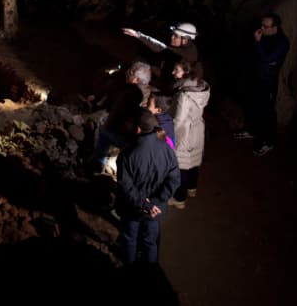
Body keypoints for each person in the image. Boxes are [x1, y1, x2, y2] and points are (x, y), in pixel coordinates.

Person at [115, 108, 180, 264]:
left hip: (133, 208)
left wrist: (144, 204)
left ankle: (130, 271)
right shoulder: (167, 150)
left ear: (137, 129)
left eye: (129, 122)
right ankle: (150, 275)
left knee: (130, 239)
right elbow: (174, 180)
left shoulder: (127, 155)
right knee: (150, 241)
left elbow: (126, 186)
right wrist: (155, 203)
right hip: (155, 210)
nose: (126, 124)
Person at [234, 12, 290, 156]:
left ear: (275, 27)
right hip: (255, 77)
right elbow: (258, 58)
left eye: (266, 26)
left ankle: (269, 142)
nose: (262, 29)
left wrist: (258, 43)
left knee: (268, 111)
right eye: (261, 25)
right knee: (252, 104)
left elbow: (266, 60)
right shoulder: (264, 37)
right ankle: (251, 130)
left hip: (268, 82)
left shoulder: (282, 43)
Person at [90, 62, 153, 173]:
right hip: (133, 135)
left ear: (137, 80)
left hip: (128, 135)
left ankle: (98, 164)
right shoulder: (144, 93)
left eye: (131, 72)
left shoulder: (132, 93)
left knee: (104, 132)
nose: (127, 73)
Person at [169, 60, 210, 209]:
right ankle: (192, 188)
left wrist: (167, 132)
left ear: (186, 72)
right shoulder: (201, 87)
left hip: (184, 132)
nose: (173, 73)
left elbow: (178, 120)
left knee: (181, 165)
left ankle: (179, 198)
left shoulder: (184, 94)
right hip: (198, 128)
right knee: (193, 160)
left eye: (176, 70)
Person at [122, 22, 202, 91]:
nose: (172, 37)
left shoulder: (186, 55)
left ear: (185, 39)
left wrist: (138, 35)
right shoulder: (180, 47)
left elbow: (160, 47)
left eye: (175, 36)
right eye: (172, 35)